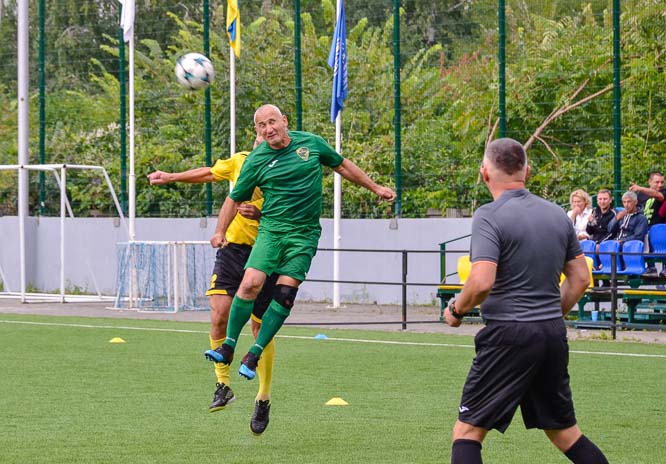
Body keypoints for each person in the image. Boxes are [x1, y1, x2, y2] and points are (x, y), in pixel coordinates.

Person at [204, 104, 396, 390]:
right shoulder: (256, 160)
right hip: (271, 233)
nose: (268, 129)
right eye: (261, 126)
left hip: (303, 235)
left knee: (284, 296)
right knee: (249, 285)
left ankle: (253, 355)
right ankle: (228, 346)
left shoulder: (311, 143)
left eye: (272, 122)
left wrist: (376, 187)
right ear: (256, 131)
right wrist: (220, 230)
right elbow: (234, 198)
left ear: (284, 121)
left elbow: (342, 164)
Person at [443, 138, 608, 464]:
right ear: (527, 171)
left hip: (509, 336)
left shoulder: (488, 215)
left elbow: (481, 282)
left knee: (467, 433)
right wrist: (547, 314)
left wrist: (456, 309)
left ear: (484, 174)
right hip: (550, 334)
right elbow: (580, 278)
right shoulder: (556, 215)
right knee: (565, 433)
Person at [147, 135, 278, 435]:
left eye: (269, 128)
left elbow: (292, 210)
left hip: (268, 251)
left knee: (260, 328)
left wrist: (261, 213)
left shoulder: (285, 169)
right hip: (233, 250)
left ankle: (263, 397)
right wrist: (171, 176)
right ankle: (223, 384)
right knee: (219, 313)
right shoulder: (240, 160)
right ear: (256, 136)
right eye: (260, 130)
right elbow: (208, 172)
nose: (264, 135)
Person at [630, 171, 666, 276]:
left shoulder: (665, 192)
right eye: (657, 182)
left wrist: (640, 188)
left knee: (650, 234)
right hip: (643, 226)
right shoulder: (641, 195)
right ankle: (633, 266)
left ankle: (660, 267)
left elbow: (659, 196)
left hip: (659, 227)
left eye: (662, 182)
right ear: (650, 182)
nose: (660, 185)